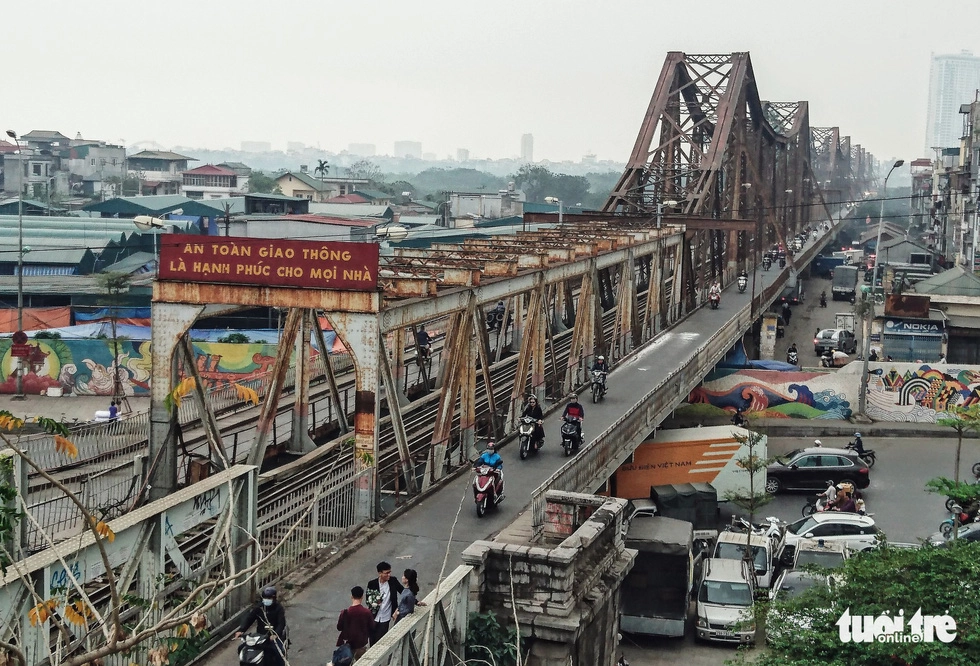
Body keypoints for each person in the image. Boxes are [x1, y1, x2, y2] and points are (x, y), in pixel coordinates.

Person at [236, 586, 287, 666]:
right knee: (242, 647)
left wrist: (275, 634)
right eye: (265, 598)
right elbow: (249, 619)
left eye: (269, 598)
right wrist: (241, 630)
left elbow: (281, 623)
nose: (267, 600)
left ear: (274, 598)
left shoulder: (279, 608)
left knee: (278, 652)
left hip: (273, 637)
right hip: (260, 637)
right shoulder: (259, 607)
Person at [367, 561, 404, 644]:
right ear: (380, 573)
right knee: (372, 642)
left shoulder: (393, 581)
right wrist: (375, 602)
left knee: (380, 642)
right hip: (374, 617)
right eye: (386, 573)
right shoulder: (372, 584)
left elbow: (403, 591)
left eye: (389, 572)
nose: (389, 575)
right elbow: (368, 600)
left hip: (385, 618)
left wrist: (416, 601)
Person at [336, 586, 375, 660]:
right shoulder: (366, 612)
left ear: (351, 596)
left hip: (348, 645)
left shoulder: (345, 613)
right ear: (362, 597)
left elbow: (339, 627)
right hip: (361, 644)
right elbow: (372, 627)